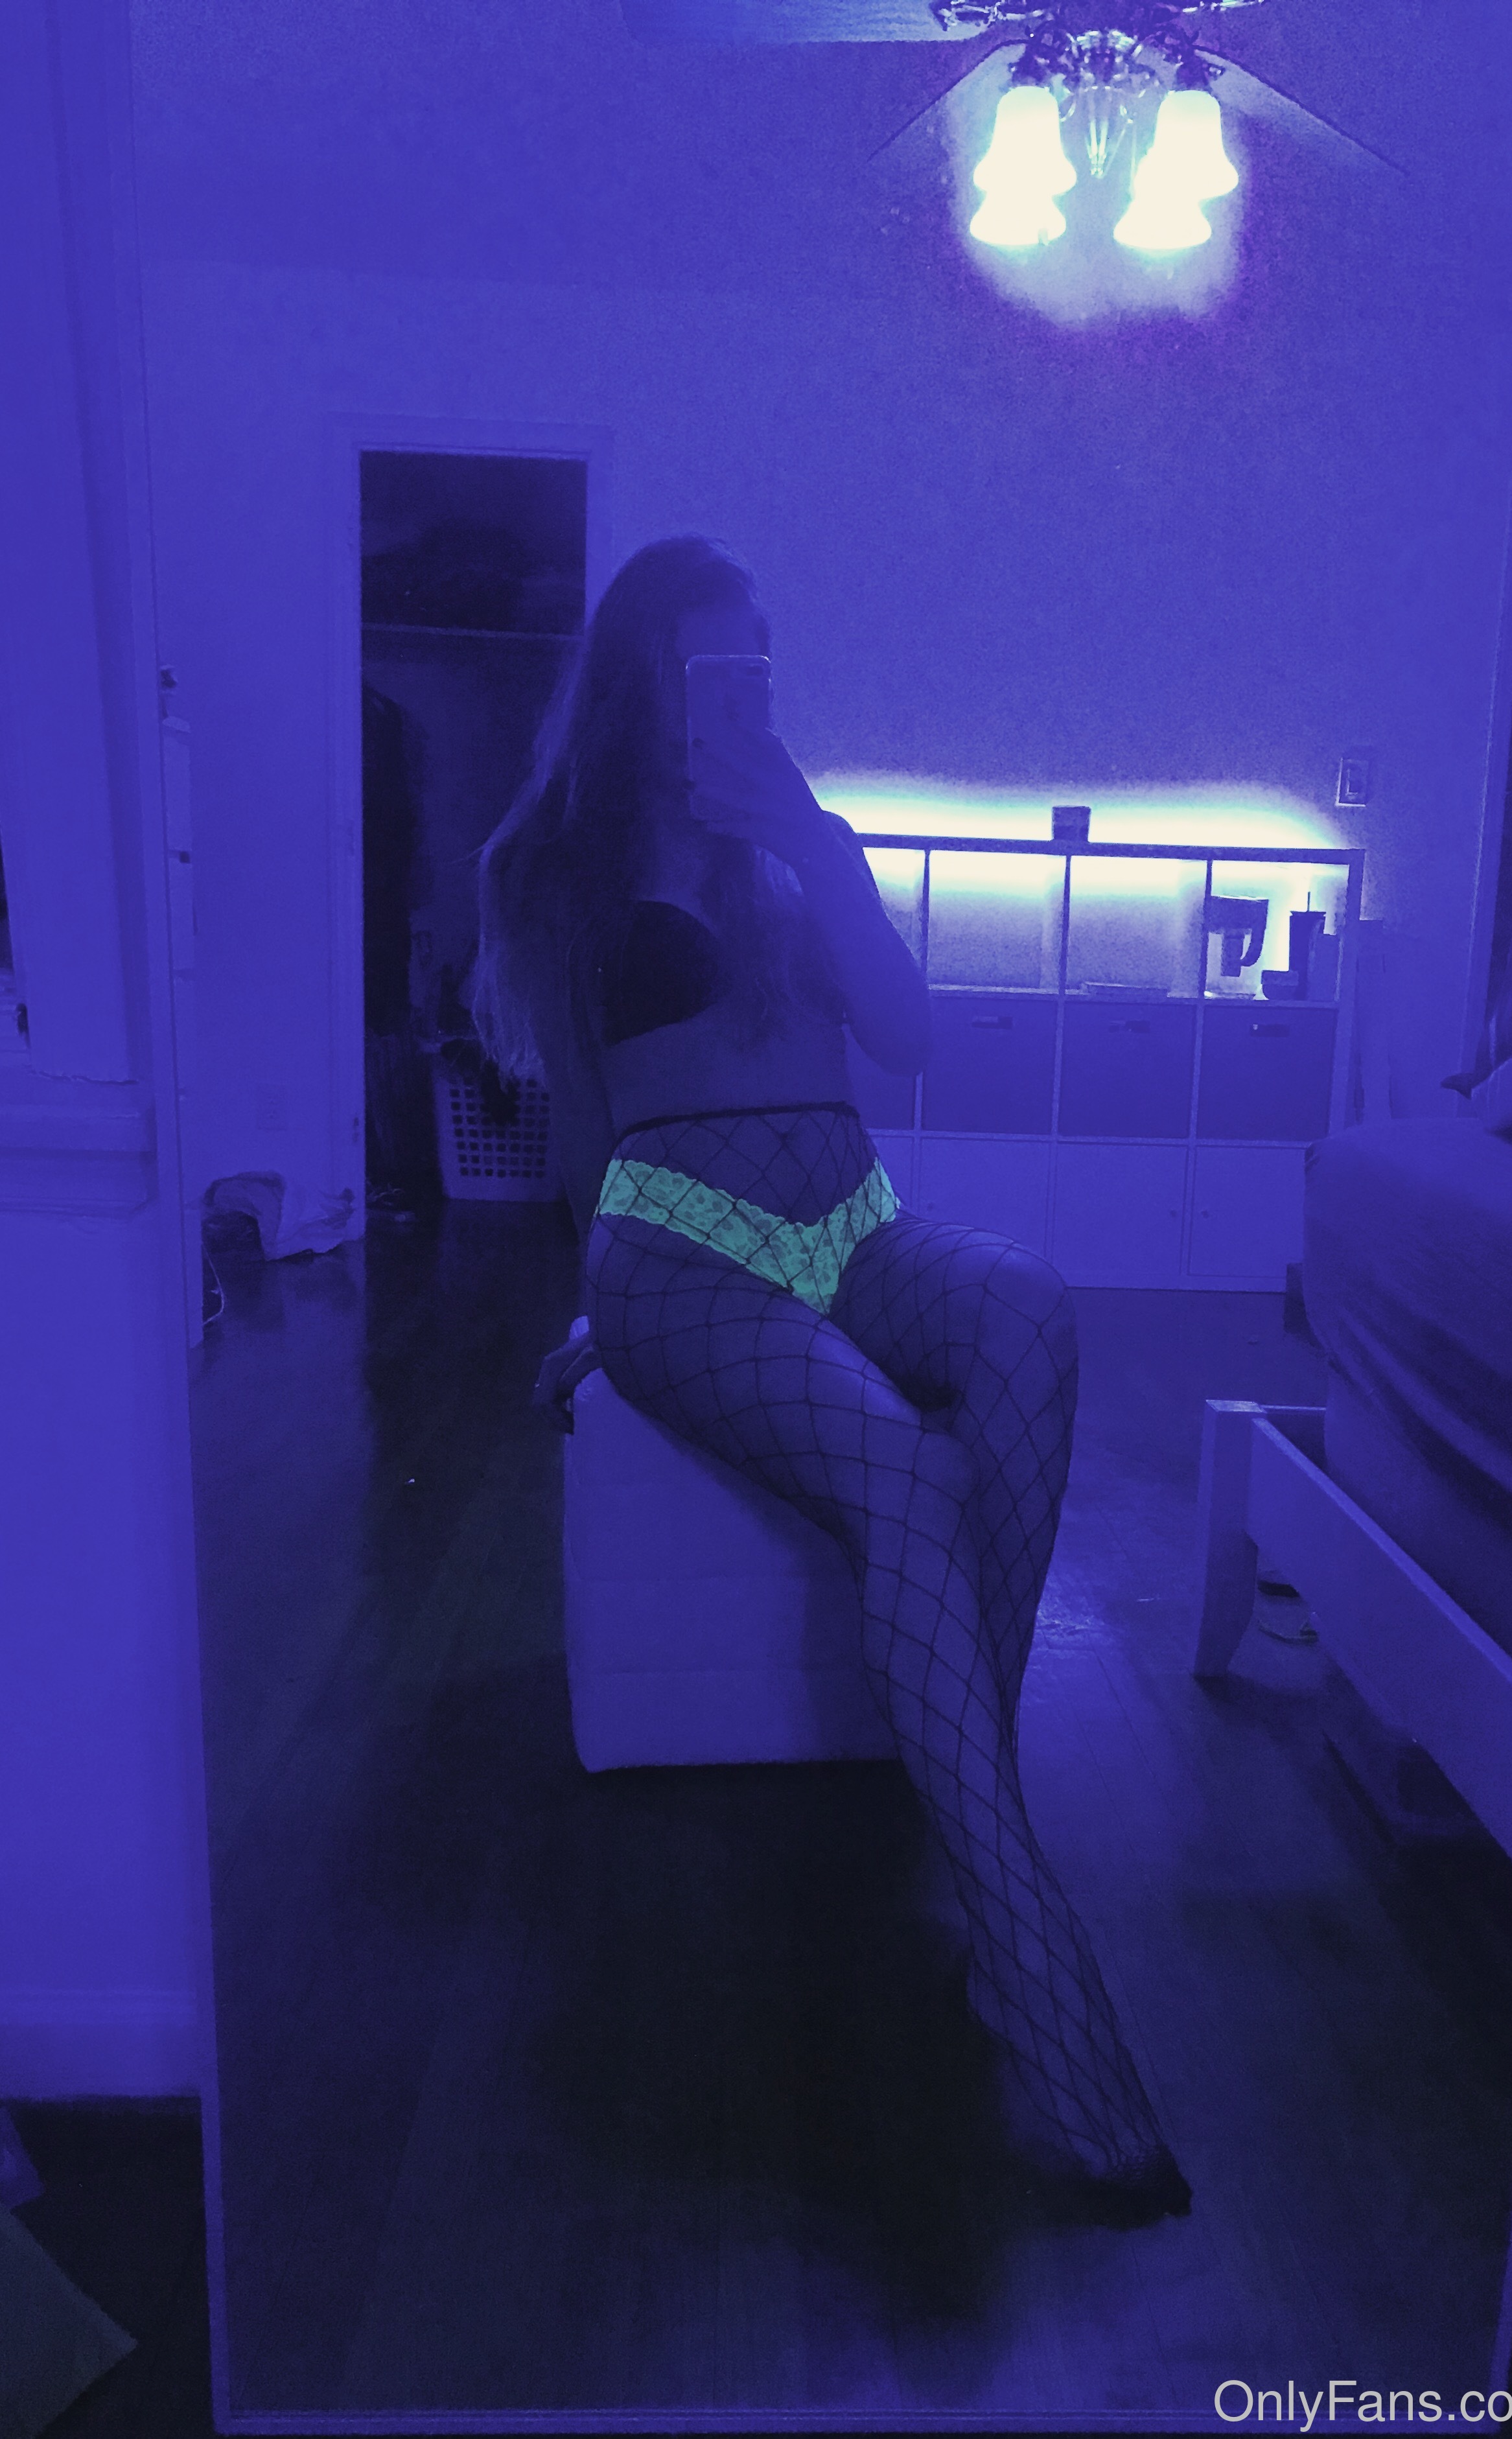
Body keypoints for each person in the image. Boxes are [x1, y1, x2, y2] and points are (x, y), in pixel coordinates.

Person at [472, 536, 1191, 2226]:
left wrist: (816, 844)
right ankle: (1027, 1950)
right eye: (710, 665)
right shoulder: (558, 863)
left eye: (760, 665)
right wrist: (592, 1310)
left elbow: (910, 1037)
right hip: (678, 1248)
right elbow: (582, 1126)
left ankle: (968, 1801)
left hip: (855, 1223)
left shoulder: (797, 846)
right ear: (640, 677)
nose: (743, 693)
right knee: (901, 1467)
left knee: (1030, 1312)